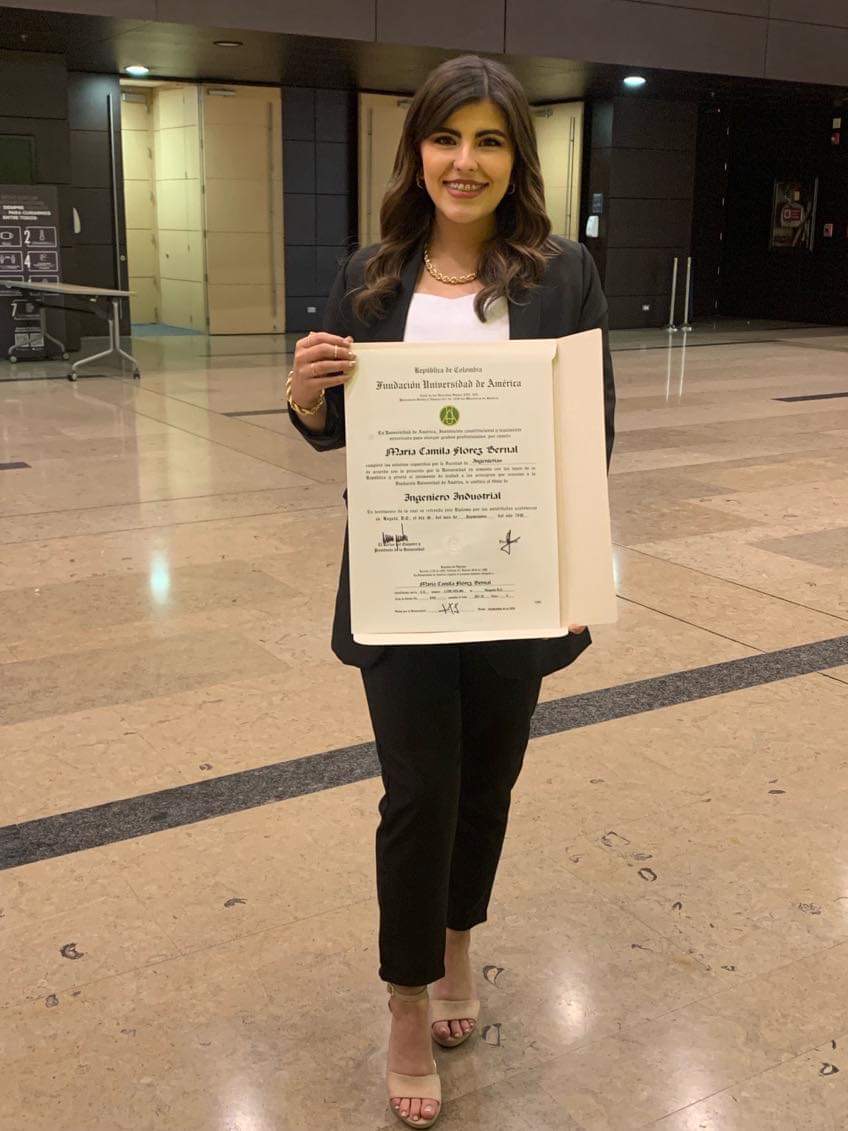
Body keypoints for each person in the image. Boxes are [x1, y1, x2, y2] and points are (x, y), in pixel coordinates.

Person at [286, 53, 615, 1129]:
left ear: (515, 158)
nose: (462, 161)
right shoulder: (371, 273)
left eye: (487, 140)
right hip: (404, 584)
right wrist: (304, 395)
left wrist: (578, 570)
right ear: (416, 151)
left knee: (486, 785)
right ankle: (403, 1000)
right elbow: (331, 424)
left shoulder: (560, 275)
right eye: (444, 137)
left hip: (516, 583)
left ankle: (457, 943)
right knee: (418, 793)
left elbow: (589, 431)